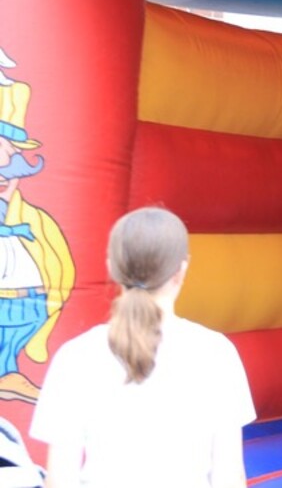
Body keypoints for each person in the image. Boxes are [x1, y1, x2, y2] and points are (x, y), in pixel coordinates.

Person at [30, 207, 256, 488]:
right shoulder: (217, 353)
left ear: (111, 266)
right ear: (182, 269)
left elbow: (60, 479)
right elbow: (229, 477)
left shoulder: (75, 357)